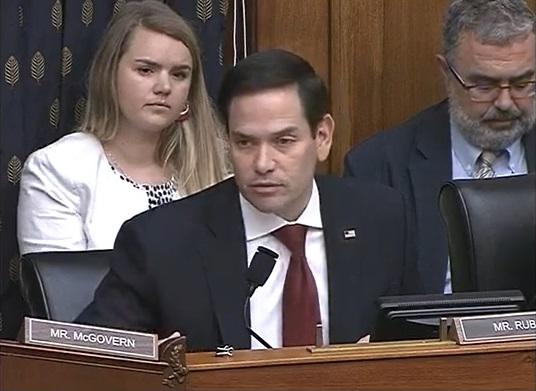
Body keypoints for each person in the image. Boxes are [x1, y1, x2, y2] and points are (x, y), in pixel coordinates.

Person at [77, 49, 412, 352]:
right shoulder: (161, 242)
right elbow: (90, 362)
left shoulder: (380, 219)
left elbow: (423, 336)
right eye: (245, 143)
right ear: (227, 142)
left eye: (283, 141)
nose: (263, 163)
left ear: (322, 137)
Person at [344, 0, 535, 294]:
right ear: (446, 72)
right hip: (432, 336)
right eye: (484, 86)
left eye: (522, 83)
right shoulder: (379, 168)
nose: (505, 102)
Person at [17, 0, 228, 254]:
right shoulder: (59, 171)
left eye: (179, 74)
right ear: (109, 74)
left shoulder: (217, 165)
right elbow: (63, 289)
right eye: (146, 70)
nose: (164, 87)